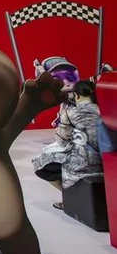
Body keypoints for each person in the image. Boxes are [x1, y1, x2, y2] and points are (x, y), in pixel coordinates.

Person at [32, 80, 103, 210]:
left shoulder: (70, 113)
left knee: (39, 163)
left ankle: (71, 200)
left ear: (76, 95)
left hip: (81, 162)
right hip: (106, 162)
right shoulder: (105, 112)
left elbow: (62, 141)